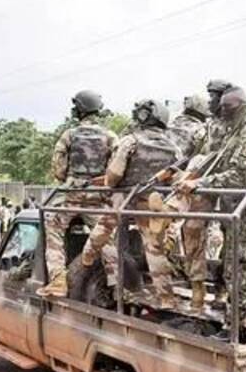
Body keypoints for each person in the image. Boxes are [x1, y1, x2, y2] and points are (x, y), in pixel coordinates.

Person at [81, 99, 180, 308]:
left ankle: (87, 257)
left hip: (123, 198)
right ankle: (166, 297)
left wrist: (110, 182)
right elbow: (175, 178)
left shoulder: (131, 141)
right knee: (154, 249)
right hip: (150, 201)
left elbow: (115, 175)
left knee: (103, 230)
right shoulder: (174, 148)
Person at [176, 86, 246, 316]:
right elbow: (212, 159)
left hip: (244, 206)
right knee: (230, 261)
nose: (222, 111)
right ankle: (232, 315)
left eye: (227, 107)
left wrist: (199, 184)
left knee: (238, 263)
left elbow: (240, 175)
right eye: (221, 106)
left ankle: (237, 320)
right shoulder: (228, 128)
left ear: (241, 106)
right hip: (229, 202)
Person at [38, 90, 119, 298]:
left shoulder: (69, 135)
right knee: (106, 237)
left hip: (71, 196)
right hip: (99, 198)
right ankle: (116, 282)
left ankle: (57, 280)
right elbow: (116, 171)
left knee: (53, 226)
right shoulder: (110, 137)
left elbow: (58, 170)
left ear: (79, 109)